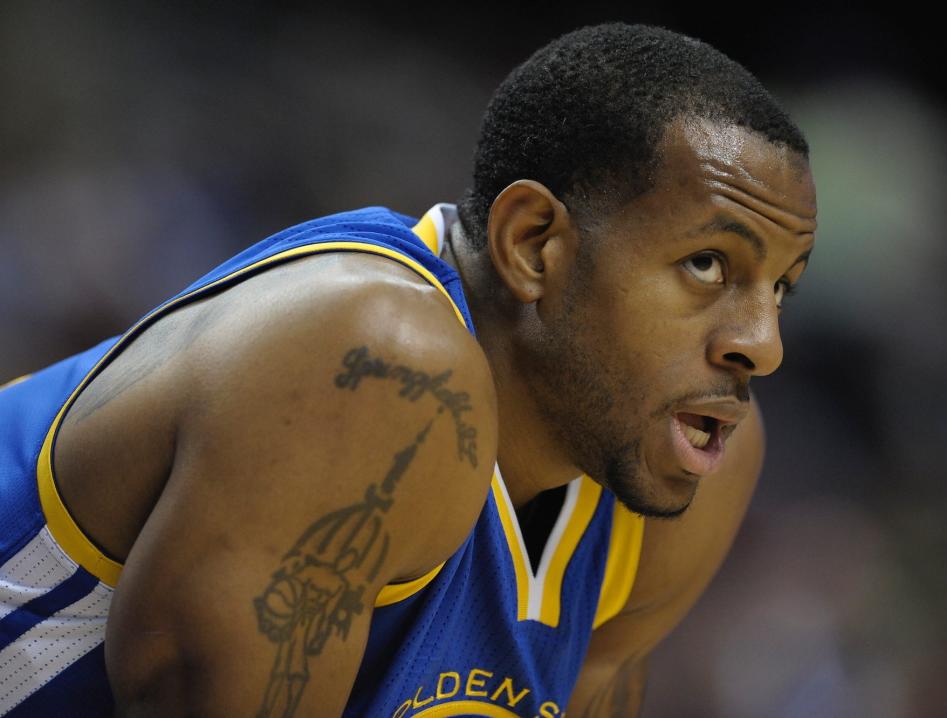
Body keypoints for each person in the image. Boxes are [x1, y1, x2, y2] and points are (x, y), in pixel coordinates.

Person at [0, 22, 817, 718]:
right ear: (534, 243)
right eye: (708, 265)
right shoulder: (371, 362)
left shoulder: (676, 471)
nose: (762, 343)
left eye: (780, 287)